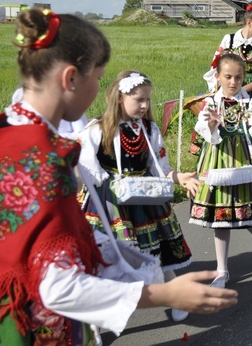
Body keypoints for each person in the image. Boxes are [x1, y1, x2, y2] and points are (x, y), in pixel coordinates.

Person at [0, 9, 236, 344]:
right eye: (97, 77)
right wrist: (163, 296)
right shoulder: (43, 158)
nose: (99, 89)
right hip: (27, 324)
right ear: (71, 79)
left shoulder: (7, 131)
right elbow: (57, 286)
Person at [77, 70, 201, 322]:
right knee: (106, 257)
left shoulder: (149, 129)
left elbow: (160, 167)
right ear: (120, 98)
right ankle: (98, 317)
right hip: (109, 202)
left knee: (159, 249)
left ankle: (174, 295)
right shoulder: (98, 129)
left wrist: (179, 177)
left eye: (147, 99)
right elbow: (83, 164)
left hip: (144, 197)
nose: (145, 105)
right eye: (139, 100)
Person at [189, 53, 252, 288]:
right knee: (220, 218)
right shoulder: (211, 102)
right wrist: (211, 123)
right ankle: (222, 271)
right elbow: (203, 128)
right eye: (228, 77)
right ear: (218, 77)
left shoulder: (250, 102)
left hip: (245, 159)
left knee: (248, 211)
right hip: (218, 159)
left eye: (238, 78)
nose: (233, 82)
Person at [203, 4, 252, 109]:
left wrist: (242, 90)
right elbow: (216, 66)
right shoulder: (229, 40)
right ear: (249, 22)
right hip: (227, 90)